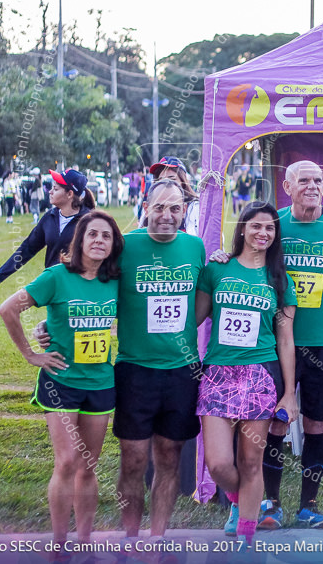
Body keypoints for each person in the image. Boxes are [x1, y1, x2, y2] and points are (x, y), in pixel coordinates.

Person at [0, 210, 124, 547]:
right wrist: (30, 353)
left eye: (106, 236)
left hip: (100, 383)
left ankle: (83, 542)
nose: (98, 241)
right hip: (60, 382)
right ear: (79, 240)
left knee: (88, 466)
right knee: (66, 461)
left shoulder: (115, 281)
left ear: (113, 245)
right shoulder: (55, 277)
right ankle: (58, 543)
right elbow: (8, 308)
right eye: (92, 234)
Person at [253, 161, 323, 530]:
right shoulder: (274, 226)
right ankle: (270, 505)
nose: (313, 186)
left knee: (317, 425)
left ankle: (309, 507)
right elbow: (246, 262)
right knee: (277, 421)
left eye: (318, 180)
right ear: (287, 186)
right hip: (276, 343)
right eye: (304, 180)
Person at [196, 201, 298, 548]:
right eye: (256, 226)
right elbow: (193, 318)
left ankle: (247, 540)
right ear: (242, 228)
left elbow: (286, 340)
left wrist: (289, 393)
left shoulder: (279, 279)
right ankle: (240, 502)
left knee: (251, 460)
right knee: (219, 463)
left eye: (270, 228)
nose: (263, 233)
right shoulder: (216, 270)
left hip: (260, 375)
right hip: (218, 374)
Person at [113, 179, 207, 539]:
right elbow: (92, 283)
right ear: (146, 208)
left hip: (181, 371)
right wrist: (52, 323)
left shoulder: (195, 247)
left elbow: (202, 299)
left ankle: (156, 539)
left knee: (169, 457)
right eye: (159, 208)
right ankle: (130, 537)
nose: (167, 216)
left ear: (185, 212)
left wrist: (182, 328)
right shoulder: (125, 245)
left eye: (175, 209)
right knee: (134, 460)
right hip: (135, 370)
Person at [0, 170, 95, 289]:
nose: (50, 192)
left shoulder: (90, 221)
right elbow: (28, 248)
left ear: (70, 194)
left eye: (55, 189)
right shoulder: (49, 217)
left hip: (80, 288)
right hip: (54, 287)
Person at [144, 157, 200, 234]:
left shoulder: (195, 208)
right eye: (162, 180)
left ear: (183, 182)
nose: (166, 184)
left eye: (172, 179)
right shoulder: (150, 207)